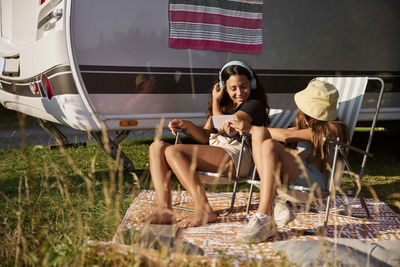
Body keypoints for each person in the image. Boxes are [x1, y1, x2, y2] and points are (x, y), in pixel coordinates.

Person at [139, 60, 269, 228]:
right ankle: (165, 210)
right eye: (233, 88)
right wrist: (187, 125)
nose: (239, 93)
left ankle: (204, 209)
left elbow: (227, 124)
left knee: (173, 152)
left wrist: (215, 102)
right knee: (156, 147)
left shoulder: (253, 105)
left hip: (238, 156)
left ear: (252, 83)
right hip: (217, 152)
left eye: (244, 86)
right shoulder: (225, 105)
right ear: (223, 87)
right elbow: (204, 136)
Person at [229, 80, 349, 243]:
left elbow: (286, 136)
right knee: (262, 137)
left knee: (267, 140)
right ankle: (270, 209)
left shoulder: (333, 128)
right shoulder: (306, 125)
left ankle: (265, 214)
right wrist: (252, 131)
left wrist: (250, 128)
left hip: (316, 184)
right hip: (299, 175)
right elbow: (281, 134)